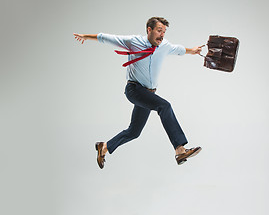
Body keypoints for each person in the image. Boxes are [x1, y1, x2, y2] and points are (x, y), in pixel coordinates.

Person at [74, 17, 202, 168]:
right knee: (164, 106)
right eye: (159, 31)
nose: (162, 35)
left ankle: (104, 147)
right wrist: (86, 37)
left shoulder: (164, 45)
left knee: (134, 132)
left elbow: (179, 49)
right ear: (149, 30)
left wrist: (192, 51)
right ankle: (180, 150)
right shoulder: (133, 41)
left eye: (164, 32)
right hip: (134, 90)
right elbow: (107, 38)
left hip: (149, 94)